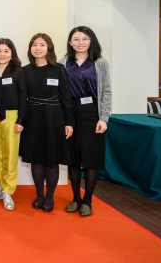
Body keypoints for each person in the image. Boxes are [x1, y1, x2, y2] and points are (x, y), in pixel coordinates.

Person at [58, 26, 111, 217]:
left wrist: (104, 118)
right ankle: (75, 198)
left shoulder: (100, 63)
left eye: (84, 39)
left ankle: (87, 200)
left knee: (91, 160)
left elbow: (106, 92)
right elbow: (58, 93)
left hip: (92, 114)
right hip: (69, 114)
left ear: (91, 41)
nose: (80, 43)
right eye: (76, 39)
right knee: (72, 159)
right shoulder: (63, 62)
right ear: (70, 42)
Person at [19, 33, 74, 212]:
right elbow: (22, 99)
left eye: (42, 44)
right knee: (36, 158)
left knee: (51, 159)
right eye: (34, 44)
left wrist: (69, 122)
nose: (38, 48)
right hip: (33, 117)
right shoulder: (25, 70)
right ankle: (39, 195)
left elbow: (66, 98)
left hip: (54, 117)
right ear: (30, 48)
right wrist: (21, 120)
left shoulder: (58, 69)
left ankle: (49, 196)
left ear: (49, 48)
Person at [0, 38, 26, 211]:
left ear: (12, 54)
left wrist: (21, 120)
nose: (2, 54)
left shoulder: (19, 72)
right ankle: (0, 185)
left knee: (10, 154)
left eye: (6, 51)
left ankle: (8, 191)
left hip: (11, 116)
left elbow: (24, 97)